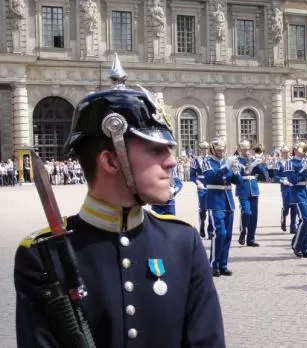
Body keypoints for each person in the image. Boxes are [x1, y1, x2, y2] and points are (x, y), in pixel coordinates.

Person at [13, 54, 225, 347]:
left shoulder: (182, 242)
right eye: (155, 151)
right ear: (111, 160)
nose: (172, 162)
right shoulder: (41, 255)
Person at [205, 137, 242, 276]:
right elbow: (211, 177)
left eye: (222, 150)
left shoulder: (227, 162)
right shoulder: (207, 162)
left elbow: (238, 182)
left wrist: (236, 170)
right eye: (218, 150)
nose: (221, 152)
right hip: (215, 201)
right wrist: (226, 166)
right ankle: (213, 264)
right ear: (213, 150)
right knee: (219, 233)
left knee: (228, 236)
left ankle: (223, 264)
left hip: (228, 201)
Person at [286, 142, 307, 258]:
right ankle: (296, 245)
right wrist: (303, 170)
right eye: (300, 149)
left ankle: (305, 248)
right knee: (305, 220)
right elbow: (292, 180)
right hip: (298, 193)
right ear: (295, 150)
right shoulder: (291, 163)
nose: (303, 151)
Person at [236, 140, 268, 247]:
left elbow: (264, 175)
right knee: (246, 213)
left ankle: (251, 239)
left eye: (247, 149)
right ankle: (243, 231)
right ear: (240, 150)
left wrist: (259, 163)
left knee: (254, 216)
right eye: (244, 149)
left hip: (254, 189)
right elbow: (241, 173)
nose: (246, 151)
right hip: (243, 188)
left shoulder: (254, 159)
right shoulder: (237, 160)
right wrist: (251, 164)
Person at [190, 142, 213, 239]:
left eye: (207, 148)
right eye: (203, 148)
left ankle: (211, 230)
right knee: (203, 210)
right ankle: (202, 225)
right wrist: (197, 183)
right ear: (200, 149)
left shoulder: (212, 159)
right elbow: (192, 175)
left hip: (211, 186)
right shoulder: (196, 160)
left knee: (211, 210)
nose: (205, 150)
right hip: (201, 186)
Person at [274, 146, 297, 233]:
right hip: (285, 187)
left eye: (287, 152)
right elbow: (275, 176)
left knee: (294, 206)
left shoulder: (293, 162)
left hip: (293, 186)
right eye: (284, 152)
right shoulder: (278, 164)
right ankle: (283, 218)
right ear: (281, 153)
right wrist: (282, 180)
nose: (286, 154)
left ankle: (293, 226)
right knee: (287, 207)